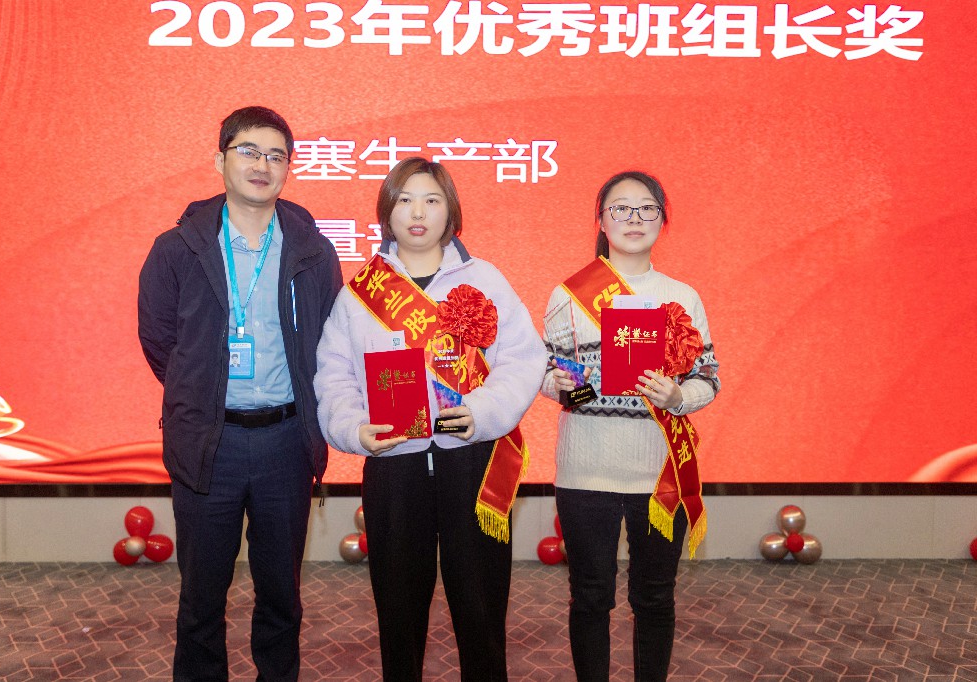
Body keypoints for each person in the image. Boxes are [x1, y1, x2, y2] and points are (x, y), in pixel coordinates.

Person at [314, 157, 545, 681]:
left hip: (472, 462)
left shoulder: (484, 279)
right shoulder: (360, 292)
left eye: (431, 200)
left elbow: (522, 359)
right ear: (386, 212)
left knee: (481, 610)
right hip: (394, 465)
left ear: (450, 211)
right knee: (397, 611)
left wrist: (483, 412)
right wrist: (353, 428)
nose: (417, 213)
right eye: (405, 200)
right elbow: (333, 374)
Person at [138, 105, 342, 681]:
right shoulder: (177, 248)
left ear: (288, 169)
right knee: (201, 599)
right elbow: (159, 341)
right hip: (210, 443)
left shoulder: (312, 250)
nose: (262, 165)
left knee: (282, 596)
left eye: (276, 155)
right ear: (220, 160)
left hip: (285, 442)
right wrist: (200, 394)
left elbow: (329, 336)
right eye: (248, 151)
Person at [541, 171, 720, 681]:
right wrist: (573, 389)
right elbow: (545, 374)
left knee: (655, 599)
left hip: (658, 474)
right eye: (620, 208)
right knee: (590, 597)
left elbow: (708, 378)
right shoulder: (569, 295)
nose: (634, 218)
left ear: (663, 220)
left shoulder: (681, 296)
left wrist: (677, 397)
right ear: (601, 220)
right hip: (586, 470)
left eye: (647, 208)